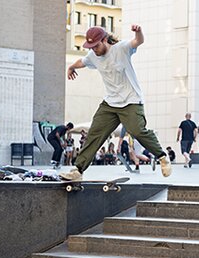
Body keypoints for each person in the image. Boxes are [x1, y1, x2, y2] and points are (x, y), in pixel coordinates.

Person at [62, 25, 171, 181]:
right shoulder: (93, 55)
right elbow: (83, 61)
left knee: (137, 130)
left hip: (131, 100)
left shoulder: (121, 49)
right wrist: (71, 67)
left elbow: (138, 41)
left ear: (105, 40)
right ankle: (77, 171)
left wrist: (138, 31)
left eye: (96, 46)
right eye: (91, 47)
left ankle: (162, 157)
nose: (94, 50)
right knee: (94, 133)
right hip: (110, 103)